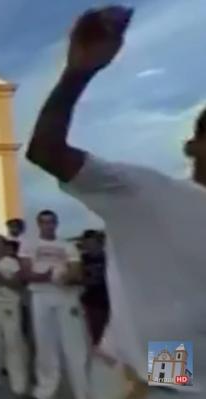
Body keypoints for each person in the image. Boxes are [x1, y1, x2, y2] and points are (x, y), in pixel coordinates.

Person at [26, 5, 203, 397]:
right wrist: (78, 73)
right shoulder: (149, 192)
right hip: (158, 373)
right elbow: (47, 150)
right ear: (192, 145)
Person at [18, 210, 88, 399]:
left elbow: (76, 273)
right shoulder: (29, 244)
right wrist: (45, 277)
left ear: (56, 224)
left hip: (66, 297)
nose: (48, 226)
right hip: (41, 297)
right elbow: (25, 273)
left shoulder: (68, 246)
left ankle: (81, 392)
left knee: (74, 346)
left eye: (51, 222)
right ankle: (45, 390)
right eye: (44, 222)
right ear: (39, 224)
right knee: (45, 345)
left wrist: (61, 277)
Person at [0, 235, 27, 396]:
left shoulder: (12, 263)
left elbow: (18, 285)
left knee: (12, 343)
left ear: (4, 246)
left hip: (9, 306)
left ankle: (18, 385)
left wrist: (2, 279)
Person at [79, 230, 109, 346]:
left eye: (93, 243)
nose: (91, 247)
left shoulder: (109, 258)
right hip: (92, 303)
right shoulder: (82, 259)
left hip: (108, 302)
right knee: (95, 337)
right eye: (88, 244)